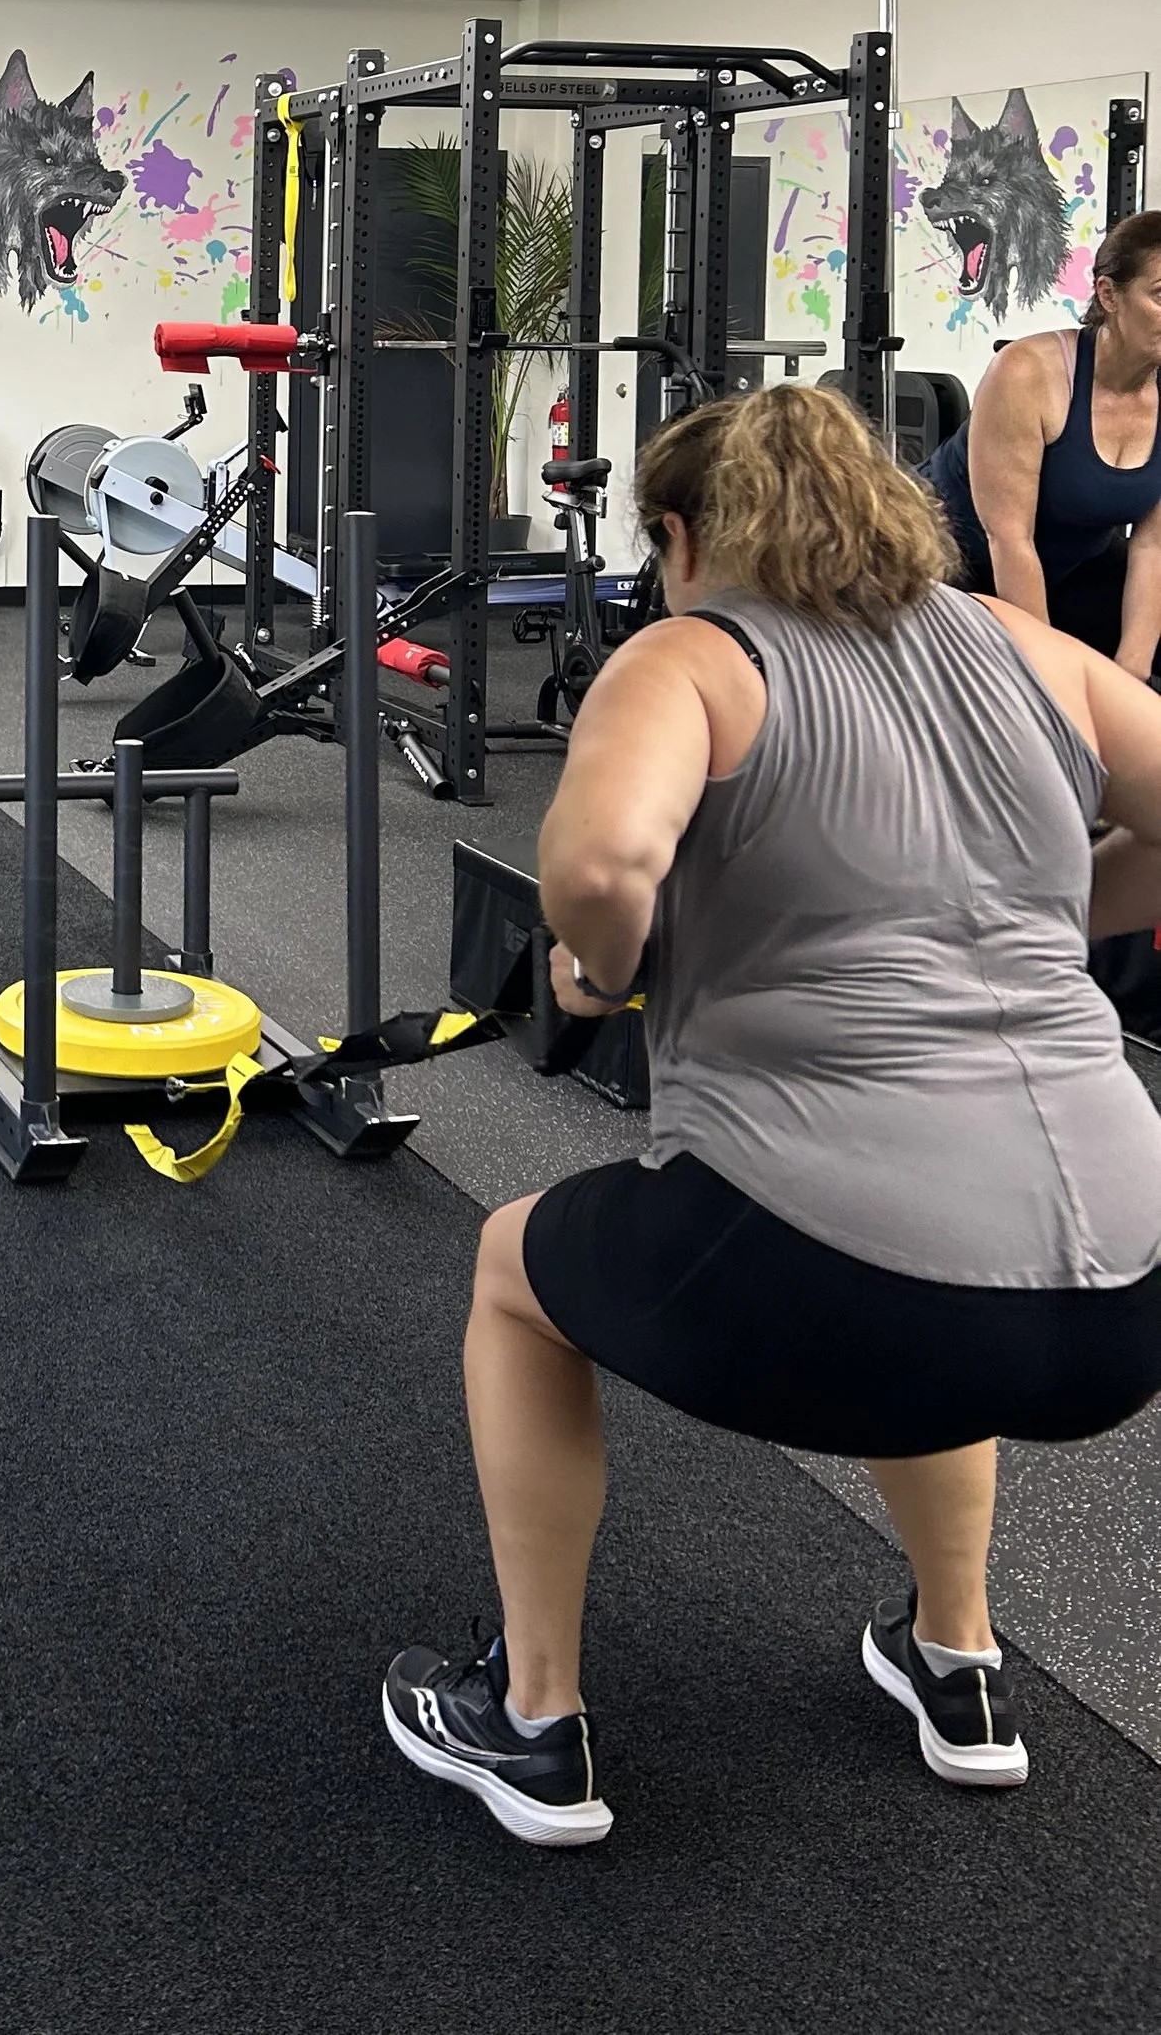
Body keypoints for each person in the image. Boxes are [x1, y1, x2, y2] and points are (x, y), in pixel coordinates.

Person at [383, 382, 1161, 1848]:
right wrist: (1043, 921)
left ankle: (531, 1721)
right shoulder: (1029, 649)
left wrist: (600, 974)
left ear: (681, 537)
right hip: (1126, 1297)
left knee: (511, 1270)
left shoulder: (695, 654)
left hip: (844, 1283)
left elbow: (607, 867)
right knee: (941, 1256)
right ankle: (959, 1661)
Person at [926, 208, 1161, 677]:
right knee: (1024, 692)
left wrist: (1131, 675)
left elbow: (1153, 545)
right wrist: (1049, 679)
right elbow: (1009, 538)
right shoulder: (1027, 372)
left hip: (1070, 567)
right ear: (1109, 294)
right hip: (947, 564)